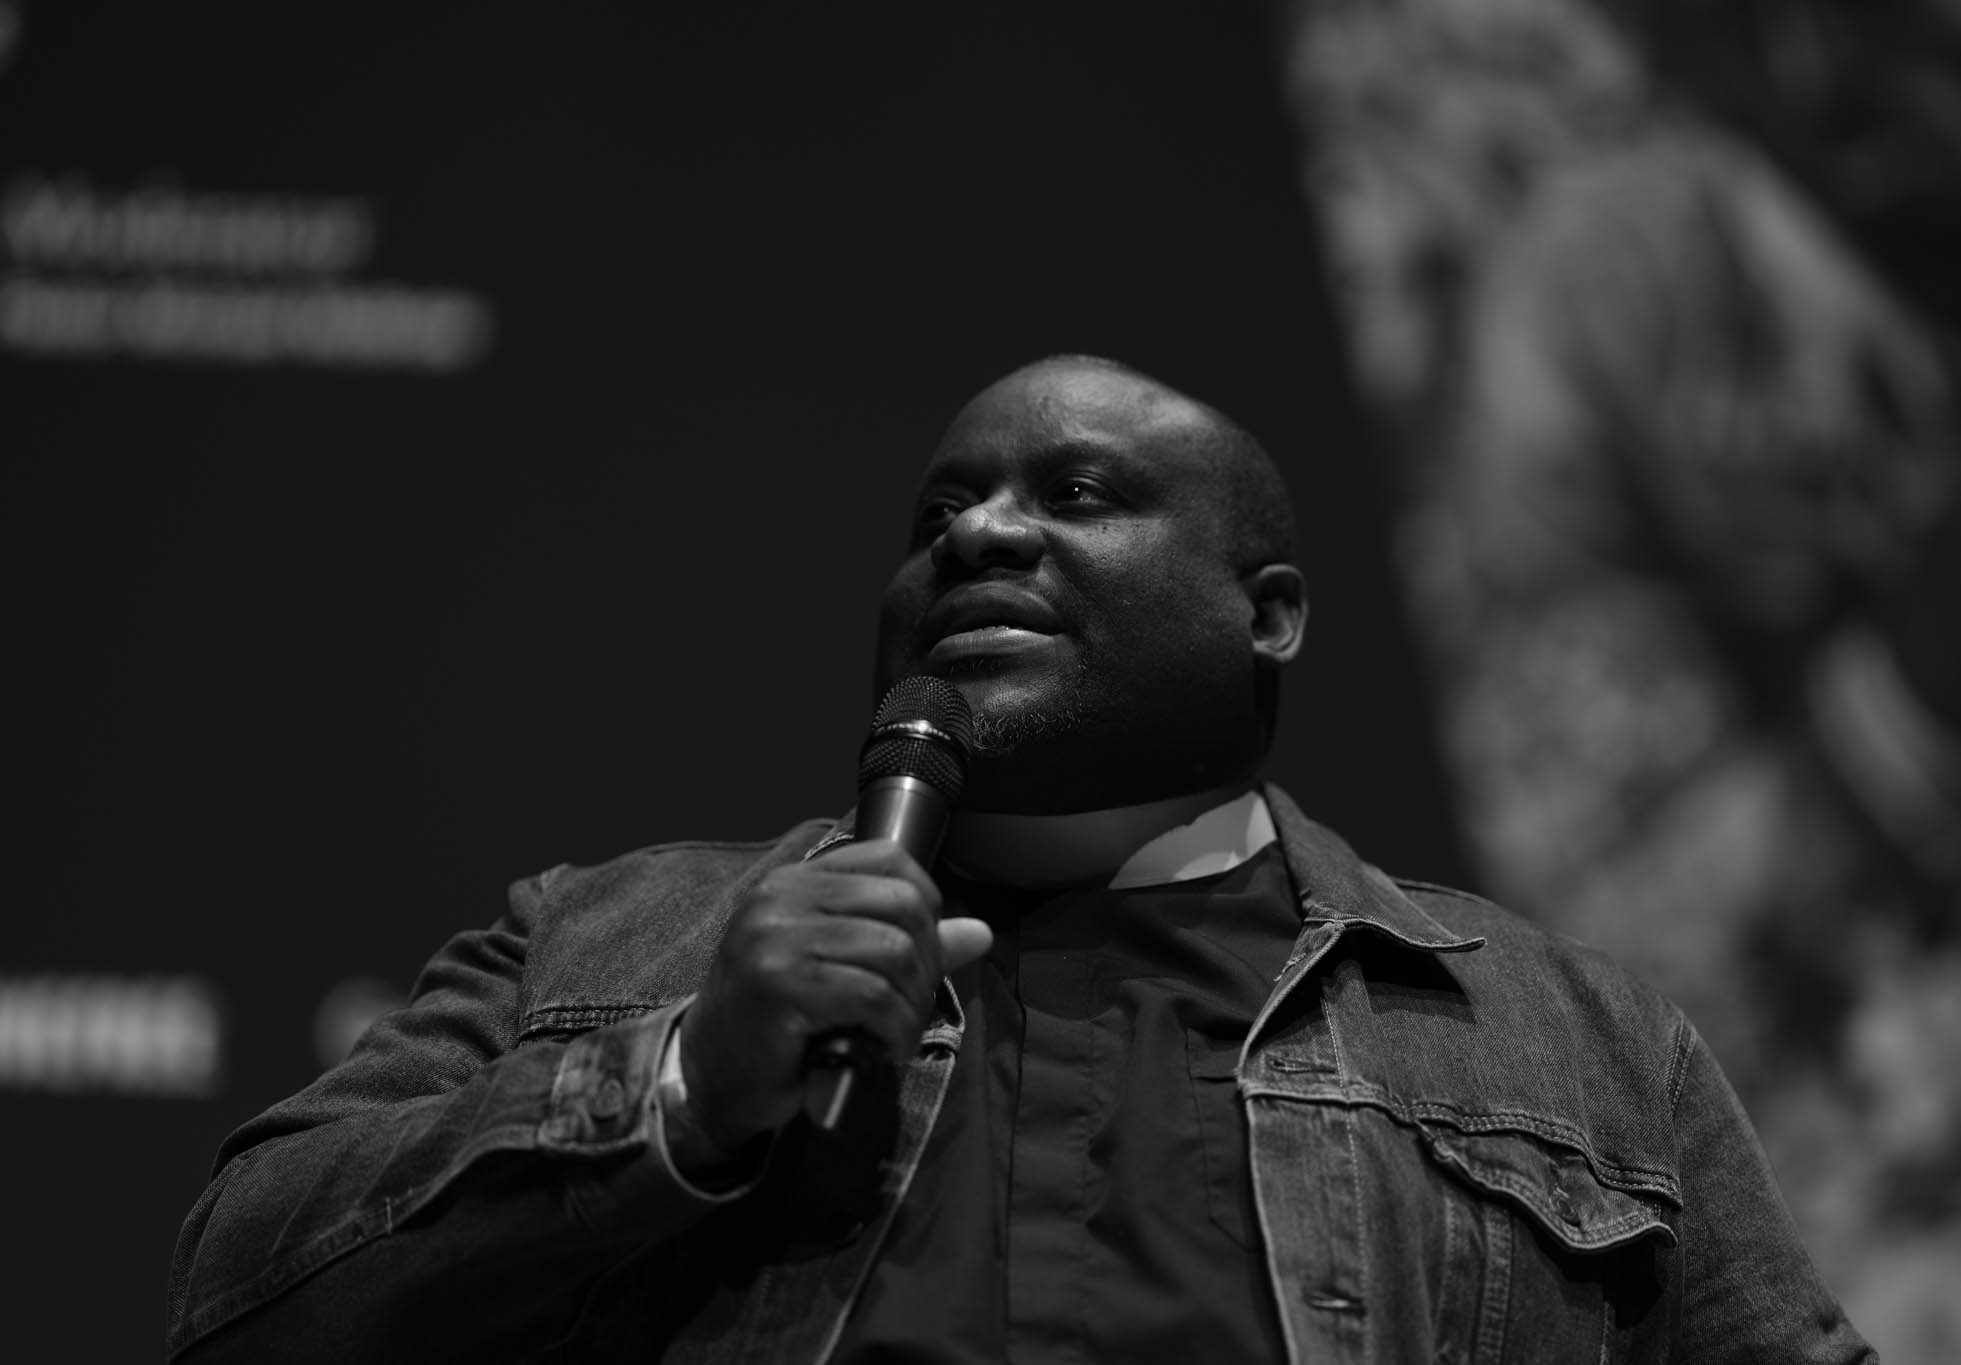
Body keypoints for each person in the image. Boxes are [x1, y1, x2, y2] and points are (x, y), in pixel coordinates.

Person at [167, 356, 1874, 1362]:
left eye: (1078, 494)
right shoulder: (606, 934)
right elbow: (239, 1295)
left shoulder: (1574, 1039)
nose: (980, 531)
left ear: (1269, 614)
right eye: (939, 517)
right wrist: (682, 1090)